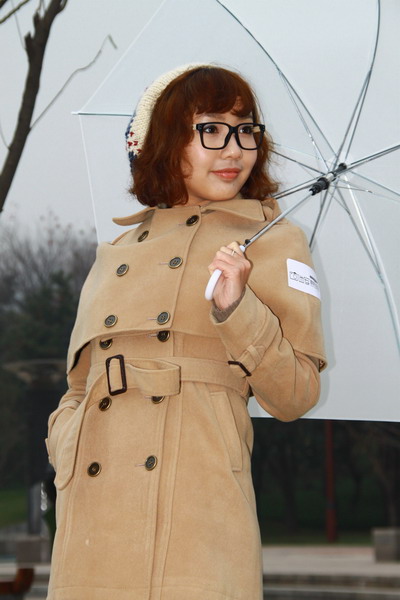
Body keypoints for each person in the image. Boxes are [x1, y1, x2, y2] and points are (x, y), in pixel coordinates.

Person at [45, 64, 326, 600]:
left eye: (246, 130)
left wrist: (238, 308)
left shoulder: (272, 240)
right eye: (212, 129)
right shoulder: (114, 254)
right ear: (164, 139)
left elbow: (296, 394)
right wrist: (66, 441)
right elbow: (77, 388)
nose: (234, 149)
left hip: (198, 515)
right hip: (90, 524)